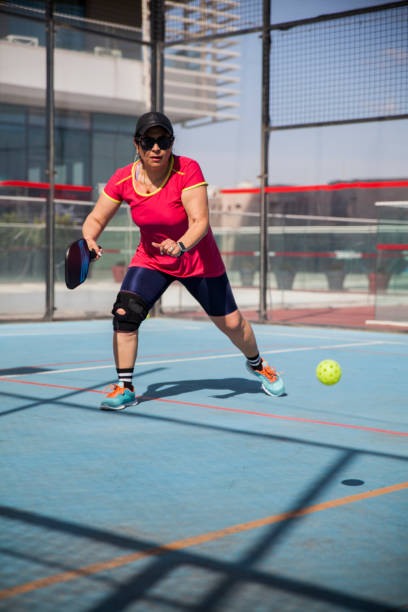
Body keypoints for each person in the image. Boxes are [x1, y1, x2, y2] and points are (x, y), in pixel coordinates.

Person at [82, 111, 285, 410]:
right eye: (148, 141)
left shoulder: (187, 170)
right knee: (126, 313)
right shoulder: (123, 178)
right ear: (136, 144)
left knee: (232, 323)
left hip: (198, 260)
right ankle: (124, 386)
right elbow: (97, 217)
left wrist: (180, 246)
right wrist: (88, 238)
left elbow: (200, 221)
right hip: (151, 260)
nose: (156, 148)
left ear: (172, 143)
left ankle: (257, 364)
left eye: (163, 141)